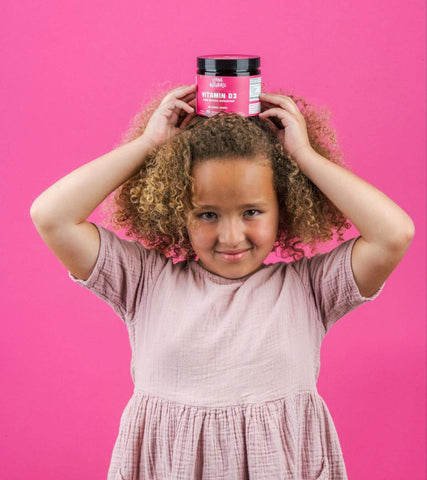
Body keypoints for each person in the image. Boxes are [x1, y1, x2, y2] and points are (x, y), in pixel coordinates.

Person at [30, 83, 415, 480]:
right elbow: (51, 216)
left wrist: (304, 157)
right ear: (177, 212)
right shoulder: (145, 282)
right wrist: (149, 145)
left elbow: (393, 235)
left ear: (285, 207)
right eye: (208, 214)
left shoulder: (310, 289)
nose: (231, 237)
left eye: (251, 211)